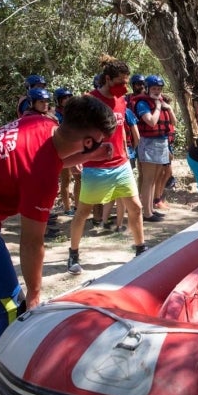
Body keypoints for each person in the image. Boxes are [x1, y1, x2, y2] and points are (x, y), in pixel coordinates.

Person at [0, 95, 117, 348]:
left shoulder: (42, 123)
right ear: (89, 141)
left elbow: (51, 158)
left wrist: (89, 156)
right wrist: (35, 294)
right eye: (100, 141)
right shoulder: (42, 177)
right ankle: (11, 365)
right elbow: (31, 242)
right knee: (11, 305)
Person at [67, 55, 149, 274]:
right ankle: (73, 254)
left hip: (121, 164)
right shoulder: (89, 101)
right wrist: (75, 159)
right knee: (83, 212)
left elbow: (120, 130)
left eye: (126, 82)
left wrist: (126, 155)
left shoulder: (122, 101)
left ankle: (141, 250)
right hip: (95, 167)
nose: (124, 87)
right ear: (106, 79)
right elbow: (75, 132)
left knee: (136, 207)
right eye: (120, 82)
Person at [133, 75, 176, 222]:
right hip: (148, 143)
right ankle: (147, 213)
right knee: (148, 179)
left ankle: (150, 209)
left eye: (159, 88)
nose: (157, 91)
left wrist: (168, 108)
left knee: (155, 178)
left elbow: (173, 122)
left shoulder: (162, 102)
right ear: (147, 88)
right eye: (154, 88)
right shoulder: (142, 104)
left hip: (162, 141)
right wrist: (158, 106)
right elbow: (151, 122)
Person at [54, 88, 79, 216]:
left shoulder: (75, 113)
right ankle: (67, 208)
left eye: (69, 98)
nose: (67, 100)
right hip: (63, 150)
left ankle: (77, 206)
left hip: (75, 148)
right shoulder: (56, 115)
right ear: (58, 101)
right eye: (64, 98)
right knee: (66, 179)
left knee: (79, 177)